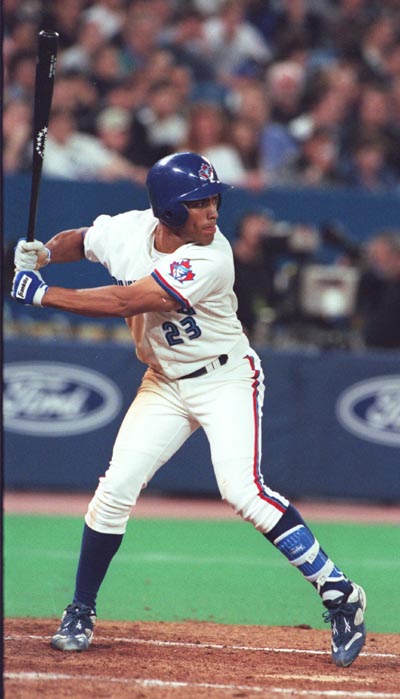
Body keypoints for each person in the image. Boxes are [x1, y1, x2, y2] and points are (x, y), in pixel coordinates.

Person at [12, 151, 366, 667]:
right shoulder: (129, 230)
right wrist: (44, 252)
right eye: (198, 202)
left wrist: (44, 295)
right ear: (169, 211)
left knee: (242, 490)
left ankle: (340, 594)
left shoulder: (211, 256)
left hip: (225, 379)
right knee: (114, 489)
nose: (212, 210)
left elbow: (127, 301)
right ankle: (80, 610)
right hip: (164, 382)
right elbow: (83, 240)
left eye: (213, 199)